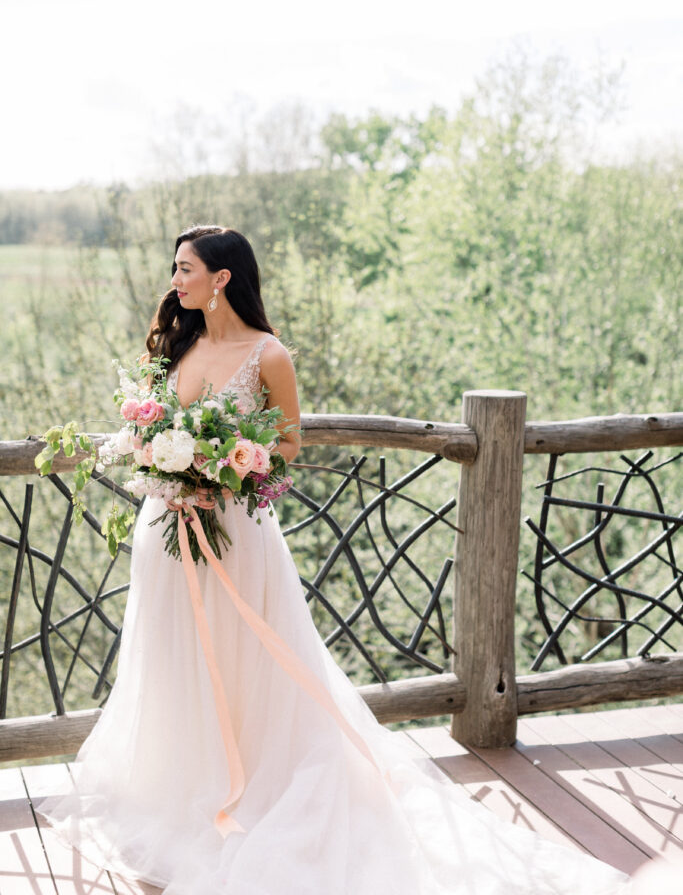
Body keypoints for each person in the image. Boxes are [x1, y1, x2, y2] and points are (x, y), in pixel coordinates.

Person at [38, 225, 632, 894]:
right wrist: (162, 455)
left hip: (235, 529)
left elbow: (287, 444)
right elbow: (145, 427)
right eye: (175, 269)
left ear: (222, 276)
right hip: (167, 529)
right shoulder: (180, 345)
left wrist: (221, 465)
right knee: (172, 655)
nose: (175, 280)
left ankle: (256, 785)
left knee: (246, 659)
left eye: (185, 268)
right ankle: (181, 785)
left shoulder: (268, 355)